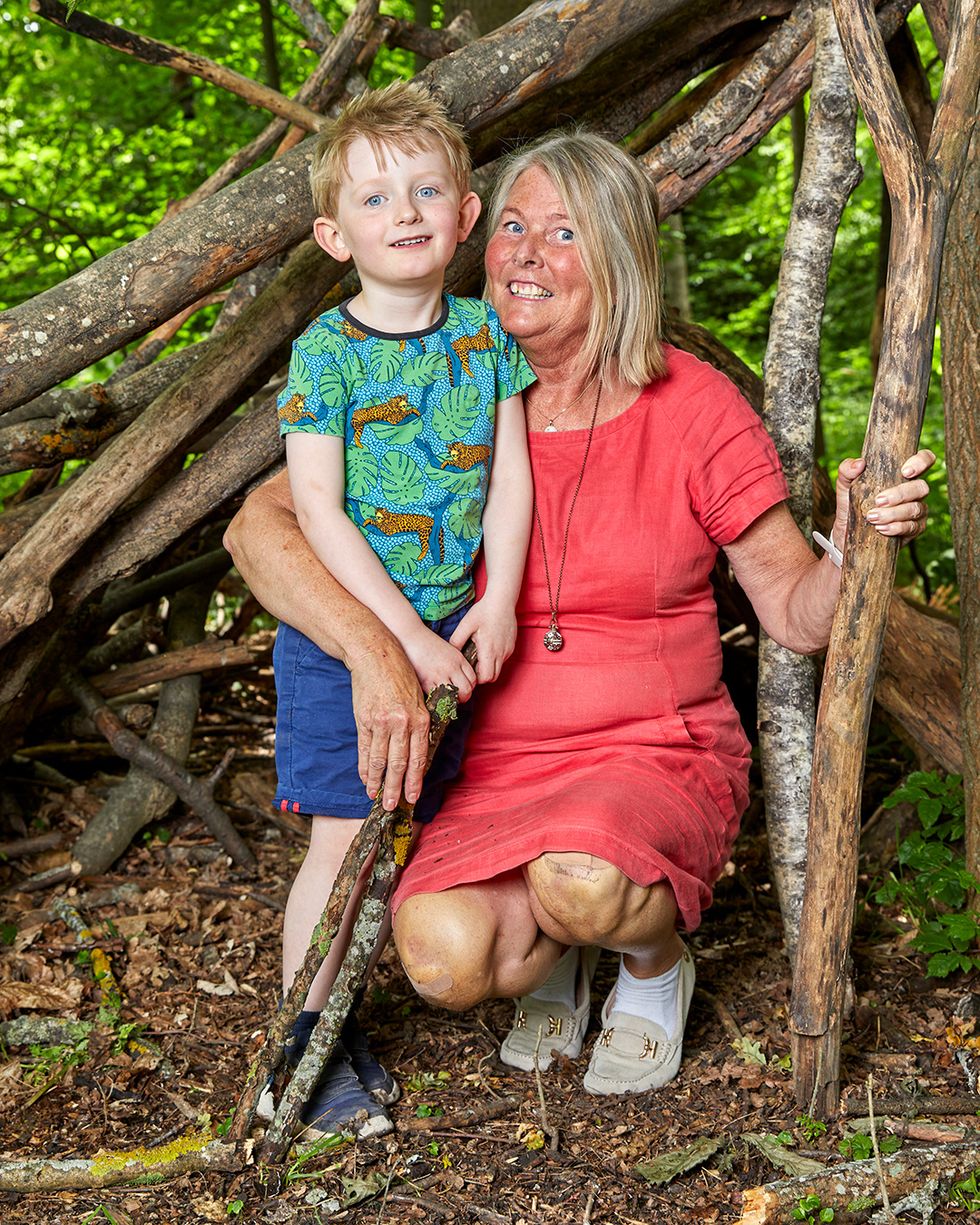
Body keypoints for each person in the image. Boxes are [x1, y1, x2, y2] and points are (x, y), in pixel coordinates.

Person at [226, 129, 933, 1108]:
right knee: (435, 958)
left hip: (648, 747)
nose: (522, 252)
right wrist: (372, 652)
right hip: (492, 763)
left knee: (583, 876)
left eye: (561, 232)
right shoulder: (439, 374)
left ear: (617, 256)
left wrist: (851, 544)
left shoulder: (692, 407)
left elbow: (794, 612)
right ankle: (559, 952)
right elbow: (259, 529)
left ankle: (647, 966)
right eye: (512, 225)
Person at [262, 81, 534, 1140]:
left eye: (426, 190)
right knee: (342, 840)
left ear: (466, 214)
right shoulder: (326, 355)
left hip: (457, 630)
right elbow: (319, 513)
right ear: (335, 234)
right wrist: (405, 637)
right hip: (345, 645)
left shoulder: (483, 337)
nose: (406, 212)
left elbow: (510, 481)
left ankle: (338, 1021)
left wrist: (498, 598)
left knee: (402, 839)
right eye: (375, 200)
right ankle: (303, 1045)